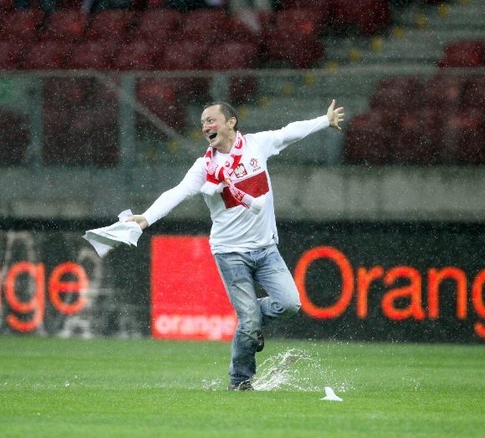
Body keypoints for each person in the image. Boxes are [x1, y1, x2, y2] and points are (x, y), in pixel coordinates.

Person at [126, 99, 345, 390]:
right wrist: (146, 219)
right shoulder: (204, 167)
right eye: (203, 122)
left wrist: (324, 120)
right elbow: (176, 193)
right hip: (230, 253)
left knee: (289, 304)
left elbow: (289, 132)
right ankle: (240, 381)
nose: (205, 126)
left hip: (266, 248)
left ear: (231, 122)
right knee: (250, 320)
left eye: (211, 120)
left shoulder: (257, 145)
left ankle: (250, 323)